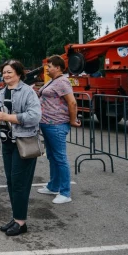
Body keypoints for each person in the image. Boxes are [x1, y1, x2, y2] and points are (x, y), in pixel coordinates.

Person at [0, 59, 41, 236]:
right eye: (4, 72)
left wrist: (7, 117)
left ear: (19, 73)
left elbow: (34, 116)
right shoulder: (1, 93)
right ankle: (16, 216)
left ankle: (21, 222)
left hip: (23, 143)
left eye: (9, 72)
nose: (6, 75)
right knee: (11, 182)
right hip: (6, 142)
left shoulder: (28, 92)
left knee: (19, 183)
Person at [37, 55, 79, 205]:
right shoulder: (53, 81)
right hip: (47, 124)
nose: (47, 68)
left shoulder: (62, 82)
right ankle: (54, 186)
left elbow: (72, 102)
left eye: (50, 66)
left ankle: (65, 192)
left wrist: (73, 120)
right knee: (52, 157)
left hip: (56, 124)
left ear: (59, 68)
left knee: (60, 158)